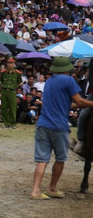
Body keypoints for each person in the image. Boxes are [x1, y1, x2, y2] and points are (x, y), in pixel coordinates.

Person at [30, 57, 93, 200]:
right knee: (60, 158)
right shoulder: (69, 80)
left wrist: (82, 105)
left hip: (43, 124)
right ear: (67, 68)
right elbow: (79, 100)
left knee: (42, 160)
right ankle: (52, 188)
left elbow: (69, 105)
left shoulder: (49, 81)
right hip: (59, 127)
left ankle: (35, 191)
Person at [0, 57, 21, 128]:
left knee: (12, 108)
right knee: (4, 107)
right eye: (8, 63)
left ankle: (13, 123)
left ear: (14, 64)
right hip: (4, 90)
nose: (10, 64)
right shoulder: (3, 72)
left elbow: (19, 83)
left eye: (11, 63)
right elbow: (1, 81)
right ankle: (6, 123)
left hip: (12, 91)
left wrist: (14, 87)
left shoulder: (17, 73)